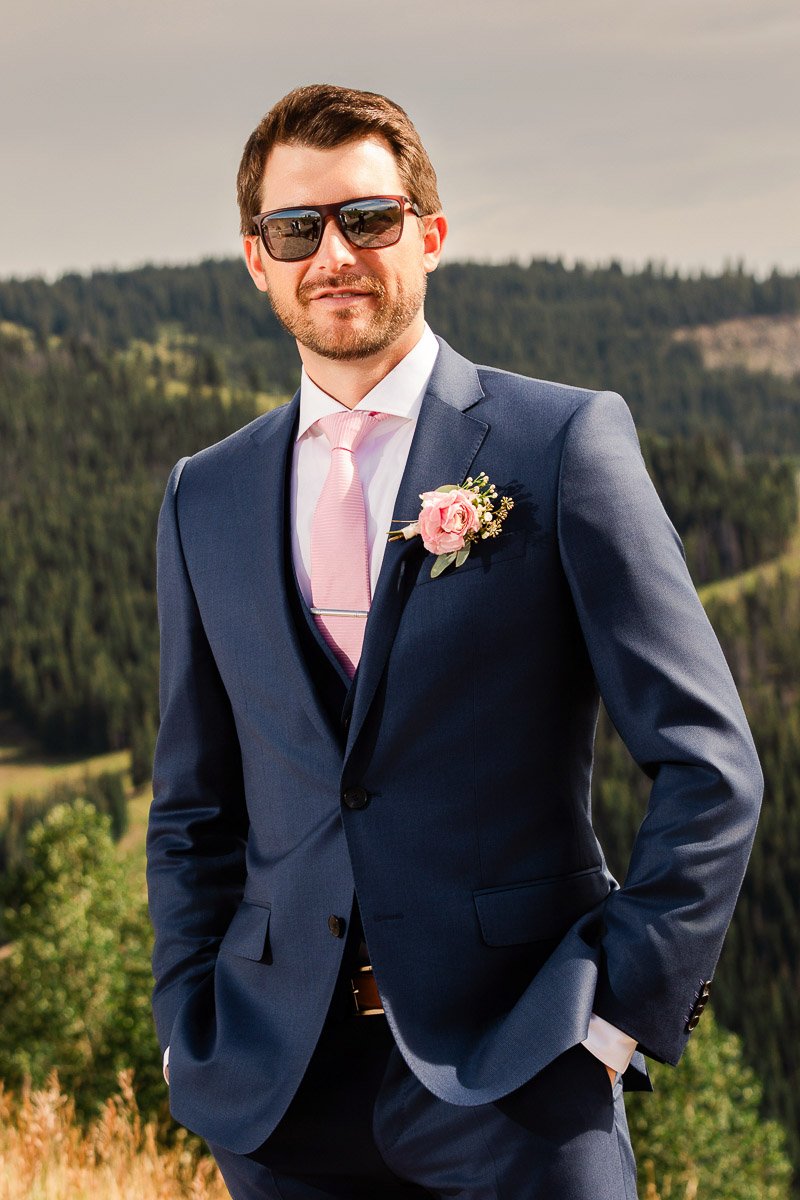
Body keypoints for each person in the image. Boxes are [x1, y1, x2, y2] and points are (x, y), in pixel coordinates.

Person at [145, 84, 762, 1199]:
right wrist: (190, 1029)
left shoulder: (561, 441)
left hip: (522, 1075)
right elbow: (193, 811)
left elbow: (708, 766)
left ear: (427, 233)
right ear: (256, 259)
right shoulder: (206, 495)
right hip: (279, 1098)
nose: (334, 253)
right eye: (298, 230)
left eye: (367, 219)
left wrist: (615, 1016)